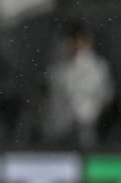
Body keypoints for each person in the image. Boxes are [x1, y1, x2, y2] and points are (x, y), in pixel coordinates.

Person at [44, 21, 115, 149]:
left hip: (88, 130)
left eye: (77, 40)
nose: (73, 44)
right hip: (59, 132)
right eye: (70, 40)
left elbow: (107, 97)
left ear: (85, 41)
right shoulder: (57, 69)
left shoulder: (97, 67)